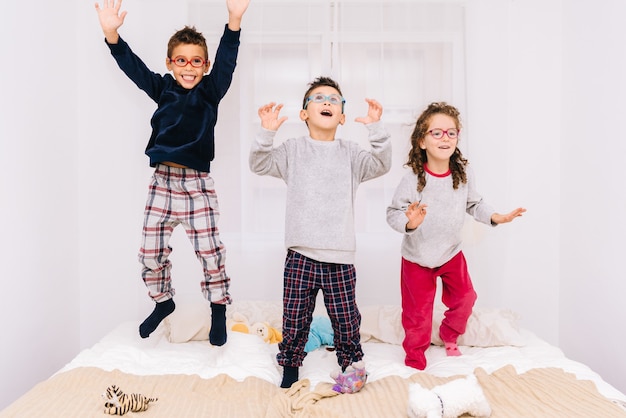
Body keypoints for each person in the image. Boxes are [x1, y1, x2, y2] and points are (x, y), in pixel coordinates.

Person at [94, 0, 250, 345]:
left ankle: (219, 309)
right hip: (162, 184)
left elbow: (227, 61)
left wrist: (233, 20)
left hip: (196, 186)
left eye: (197, 61)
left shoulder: (211, 92)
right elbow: (132, 69)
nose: (189, 68)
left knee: (210, 252)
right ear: (170, 63)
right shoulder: (162, 88)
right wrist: (111, 34)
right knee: (150, 253)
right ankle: (163, 302)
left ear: (205, 65)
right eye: (181, 61)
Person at [249, 77, 392, 389]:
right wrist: (267, 132)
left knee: (346, 320)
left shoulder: (351, 154)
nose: (326, 102)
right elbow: (259, 164)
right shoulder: (293, 150)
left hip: (340, 256)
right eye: (318, 98)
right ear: (304, 114)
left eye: (334, 99)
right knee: (295, 317)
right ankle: (289, 366)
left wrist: (376, 129)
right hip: (300, 254)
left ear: (341, 116)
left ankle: (352, 365)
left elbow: (382, 164)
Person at [386, 102, 526, 370]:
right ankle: (415, 358)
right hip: (417, 257)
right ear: (422, 141)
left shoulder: (462, 174)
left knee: (466, 297)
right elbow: (393, 213)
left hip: (450, 253)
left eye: (451, 133)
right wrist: (409, 222)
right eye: (436, 133)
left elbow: (475, 204)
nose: (445, 138)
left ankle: (449, 335)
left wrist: (496, 217)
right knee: (418, 315)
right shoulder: (413, 179)